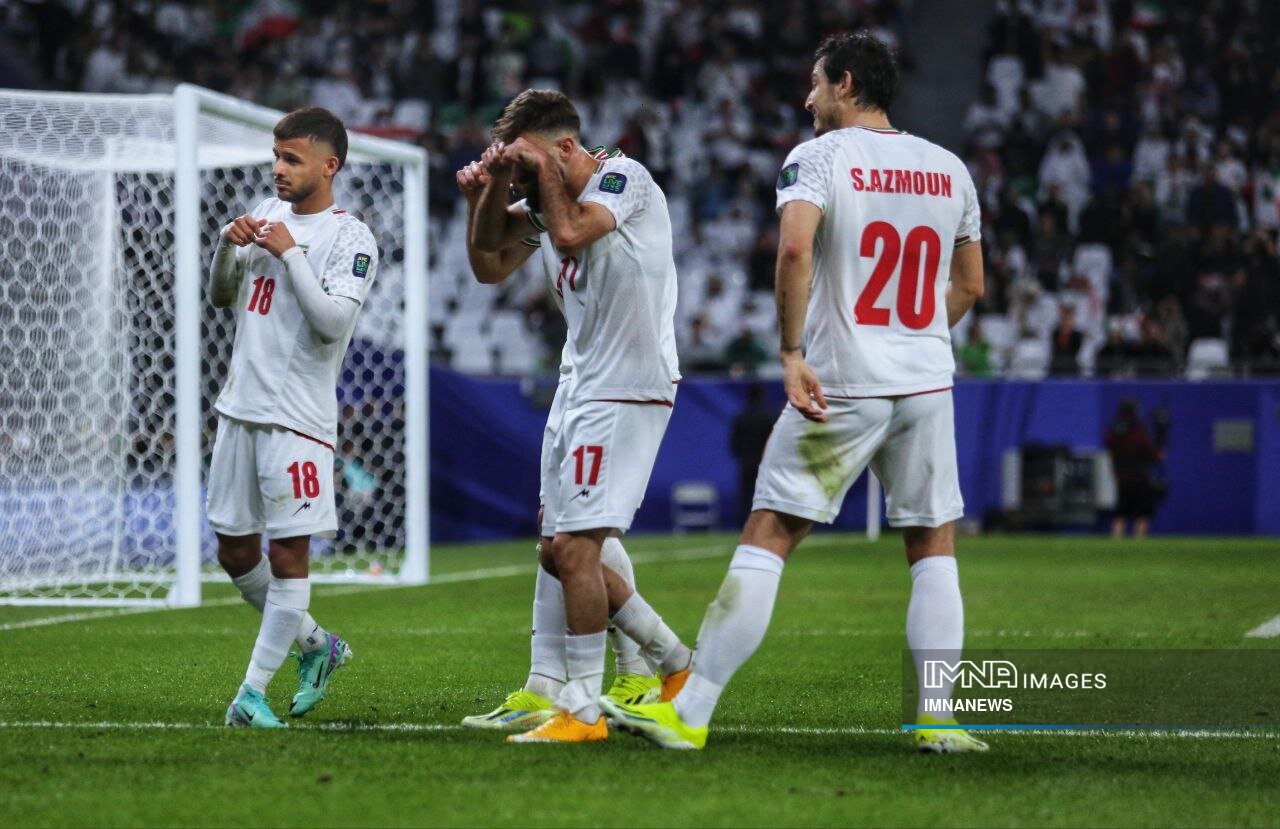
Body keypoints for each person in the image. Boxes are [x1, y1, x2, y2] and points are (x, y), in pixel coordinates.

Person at [602, 32, 988, 754]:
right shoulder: (950, 168)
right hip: (927, 383)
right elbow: (970, 286)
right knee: (933, 545)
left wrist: (790, 352)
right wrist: (914, 339)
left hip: (843, 381)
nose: (808, 99)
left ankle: (690, 711)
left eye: (816, 83)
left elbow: (794, 248)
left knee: (771, 534)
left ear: (846, 83)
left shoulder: (819, 157)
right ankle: (939, 719)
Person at [467, 90, 694, 743]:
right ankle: (675, 663)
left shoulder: (625, 179)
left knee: (576, 547)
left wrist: (536, 178)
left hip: (627, 385)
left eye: (529, 164)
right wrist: (487, 188)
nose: (523, 181)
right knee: (555, 550)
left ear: (565, 149)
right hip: (581, 383)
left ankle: (585, 709)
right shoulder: (548, 201)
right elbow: (487, 262)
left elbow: (570, 232)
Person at [207, 107, 378, 728]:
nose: (278, 169)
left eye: (292, 159)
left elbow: (332, 324)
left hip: (297, 419)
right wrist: (226, 246)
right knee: (234, 552)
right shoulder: (265, 213)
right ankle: (317, 647)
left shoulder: (351, 238)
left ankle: (251, 694)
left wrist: (290, 256)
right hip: (240, 408)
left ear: (329, 166)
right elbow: (221, 296)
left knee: (287, 558)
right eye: (276, 157)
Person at [1105, 399, 1163, 538]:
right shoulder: (1138, 429)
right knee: (1143, 513)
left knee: (1120, 513)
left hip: (1121, 477)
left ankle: (1116, 542)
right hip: (1139, 477)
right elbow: (1149, 451)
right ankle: (1139, 541)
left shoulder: (1115, 429)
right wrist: (1158, 452)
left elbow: (1109, 444)